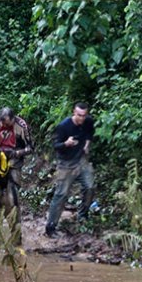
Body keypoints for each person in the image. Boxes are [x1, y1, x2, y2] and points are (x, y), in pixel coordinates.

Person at [45, 102, 95, 238]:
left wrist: (87, 145)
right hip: (66, 162)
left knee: (90, 187)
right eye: (79, 115)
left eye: (84, 115)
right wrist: (65, 144)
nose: (81, 118)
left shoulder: (88, 122)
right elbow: (55, 145)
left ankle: (83, 215)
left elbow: (90, 133)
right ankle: (50, 227)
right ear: (74, 112)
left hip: (81, 160)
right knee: (61, 194)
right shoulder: (64, 126)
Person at [0, 107, 34, 194]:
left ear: (13, 118)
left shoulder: (21, 126)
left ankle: (13, 198)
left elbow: (30, 147)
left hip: (15, 155)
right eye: (2, 123)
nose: (4, 125)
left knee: (14, 178)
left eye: (7, 123)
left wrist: (17, 153)